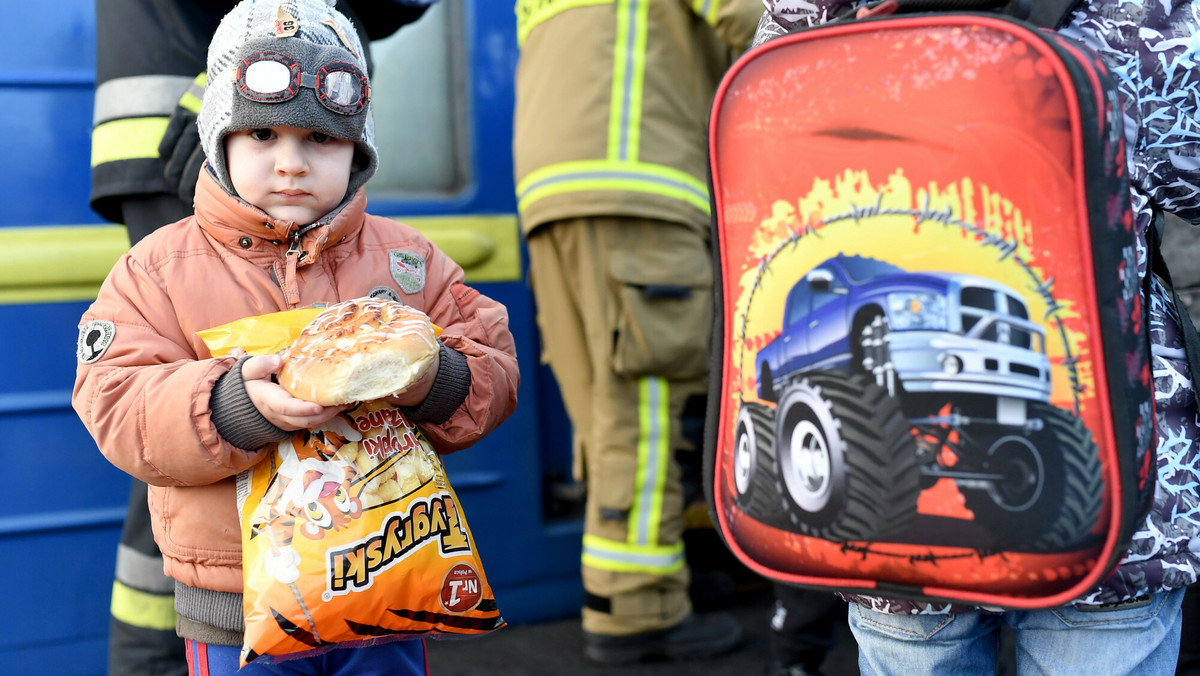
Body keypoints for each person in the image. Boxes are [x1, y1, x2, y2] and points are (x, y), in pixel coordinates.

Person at [752, 1, 1200, 674]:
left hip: (887, 546)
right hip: (1113, 492)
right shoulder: (1137, 15)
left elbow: (761, 166)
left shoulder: (812, 14)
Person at [73, 1, 518, 674]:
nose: (291, 164)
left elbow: (495, 366)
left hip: (387, 588)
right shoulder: (157, 270)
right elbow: (115, 400)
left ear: (359, 150)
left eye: (321, 140)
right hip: (236, 613)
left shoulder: (410, 262)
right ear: (217, 137)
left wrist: (437, 379)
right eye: (262, 137)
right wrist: (232, 406)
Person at [511, 0, 765, 664]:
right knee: (644, 402)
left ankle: (643, 573)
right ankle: (638, 607)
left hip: (552, 187)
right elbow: (759, 19)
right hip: (639, 179)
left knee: (603, 407)